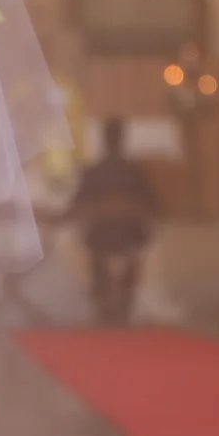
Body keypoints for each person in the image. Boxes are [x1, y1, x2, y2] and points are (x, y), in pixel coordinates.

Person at [68, 116, 158, 315]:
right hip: (132, 235)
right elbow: (153, 206)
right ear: (123, 139)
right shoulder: (136, 172)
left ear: (104, 140)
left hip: (100, 236)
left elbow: (76, 206)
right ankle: (127, 293)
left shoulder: (93, 172)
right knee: (139, 245)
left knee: (87, 245)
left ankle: (101, 294)